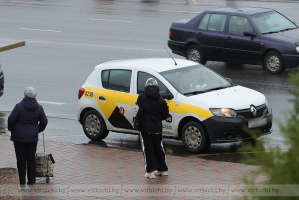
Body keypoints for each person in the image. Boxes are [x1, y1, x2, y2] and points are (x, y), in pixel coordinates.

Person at [8, 86, 48, 185]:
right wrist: (38, 130)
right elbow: (44, 121)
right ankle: (31, 180)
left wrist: (11, 129)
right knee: (31, 159)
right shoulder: (39, 107)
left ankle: (21, 181)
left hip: (19, 138)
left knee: (20, 159)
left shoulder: (18, 106)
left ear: (24, 95)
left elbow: (11, 120)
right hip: (32, 138)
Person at [136, 78, 170, 179]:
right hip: (157, 128)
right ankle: (163, 169)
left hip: (145, 128)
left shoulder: (141, 97)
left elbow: (139, 107)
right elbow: (165, 115)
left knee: (148, 149)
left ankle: (150, 171)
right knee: (159, 147)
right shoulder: (161, 100)